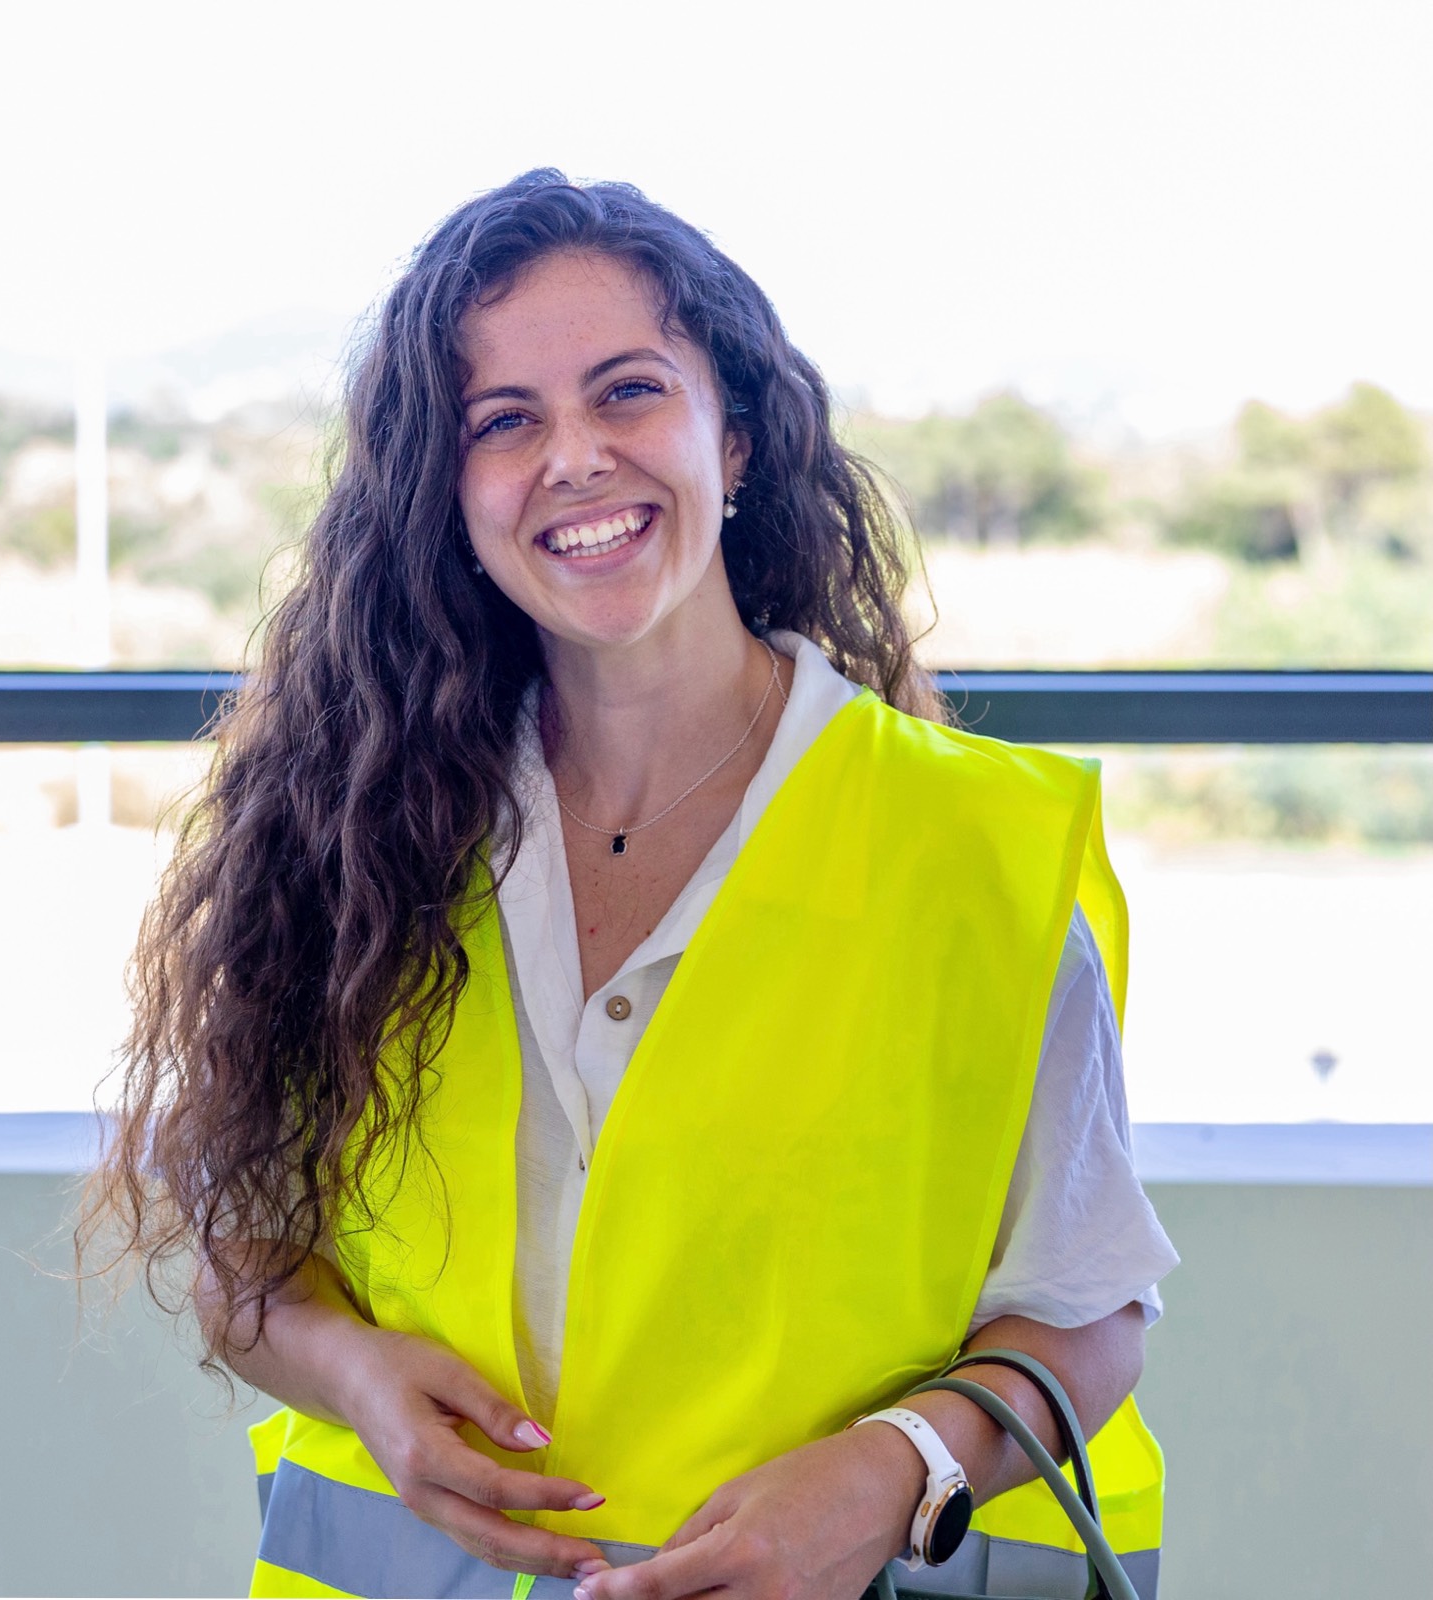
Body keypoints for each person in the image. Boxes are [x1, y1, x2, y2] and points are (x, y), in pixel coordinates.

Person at [84, 170, 1178, 1600]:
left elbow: (1089, 1309)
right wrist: (353, 1375)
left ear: (733, 441)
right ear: (448, 494)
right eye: (506, 422)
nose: (576, 458)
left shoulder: (972, 843)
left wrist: (896, 1469)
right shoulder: (355, 829)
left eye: (629, 392)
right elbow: (243, 1234)